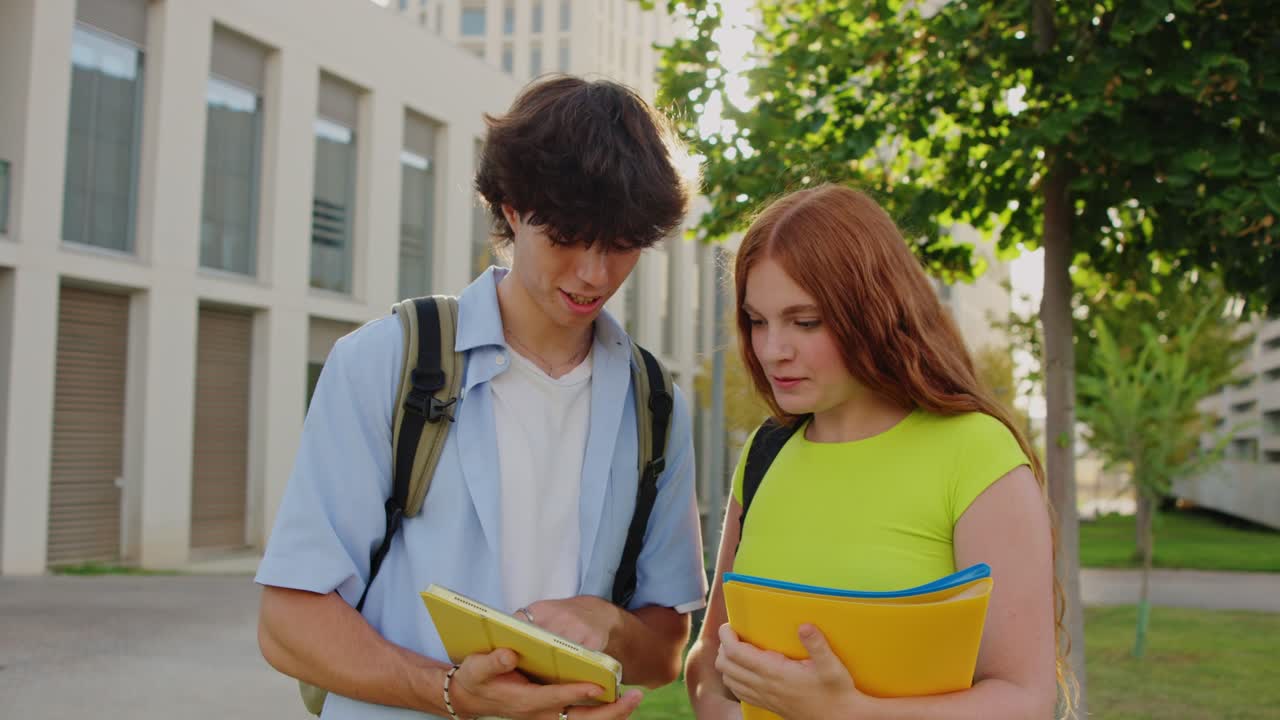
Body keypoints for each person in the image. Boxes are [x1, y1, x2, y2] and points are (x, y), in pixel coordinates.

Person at [256, 76, 706, 720]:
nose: (594, 274)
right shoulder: (387, 362)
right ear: (512, 207)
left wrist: (606, 624)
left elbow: (663, 649)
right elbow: (286, 623)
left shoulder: (656, 405)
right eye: (569, 236)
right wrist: (448, 692)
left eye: (621, 245)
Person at [684, 184, 1073, 719]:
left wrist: (844, 712)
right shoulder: (765, 451)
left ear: (874, 311)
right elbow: (709, 663)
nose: (773, 349)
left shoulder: (975, 453)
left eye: (806, 321)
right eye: (757, 321)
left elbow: (1024, 699)